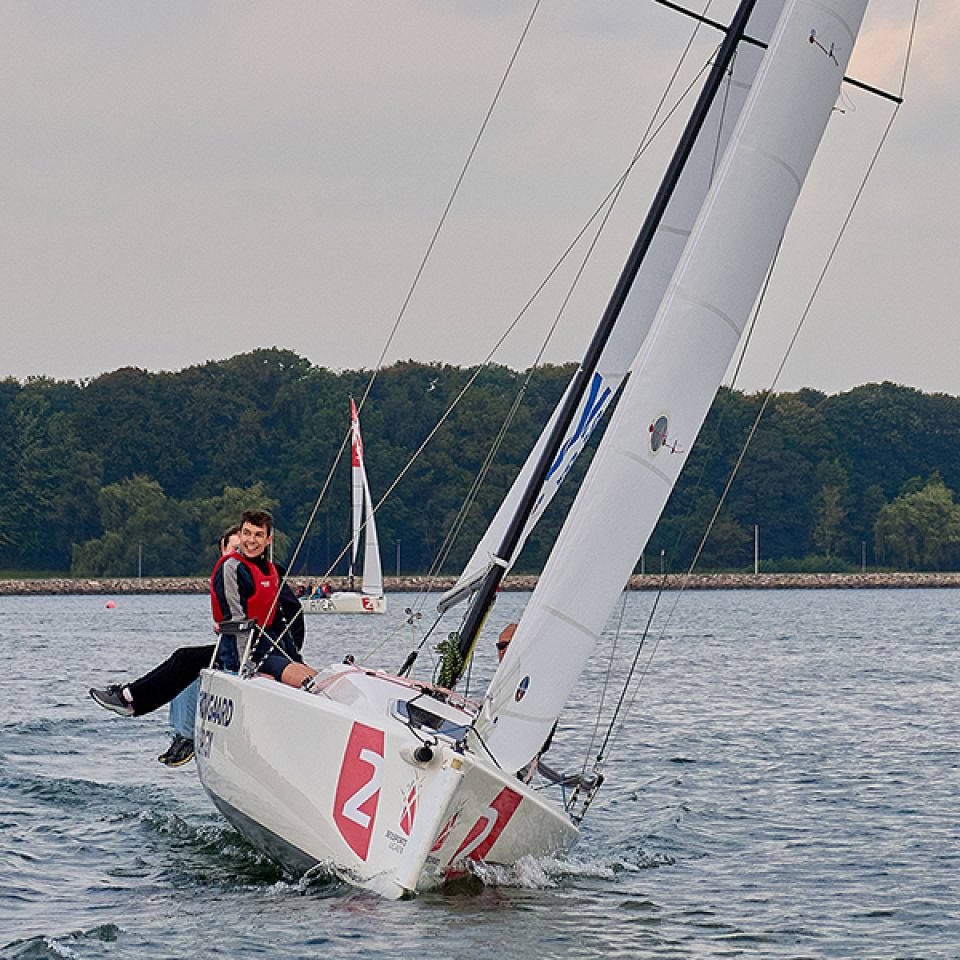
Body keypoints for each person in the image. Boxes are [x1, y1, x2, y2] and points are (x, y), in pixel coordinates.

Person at [89, 512, 314, 755]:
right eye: (247, 534)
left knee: (186, 660)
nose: (251, 540)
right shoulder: (232, 568)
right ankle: (162, 720)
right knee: (186, 661)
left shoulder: (270, 571)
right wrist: (245, 665)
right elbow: (235, 618)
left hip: (258, 648)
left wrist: (289, 653)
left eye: (258, 535)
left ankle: (134, 701)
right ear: (239, 535)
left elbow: (290, 613)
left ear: (269, 540)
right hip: (245, 651)